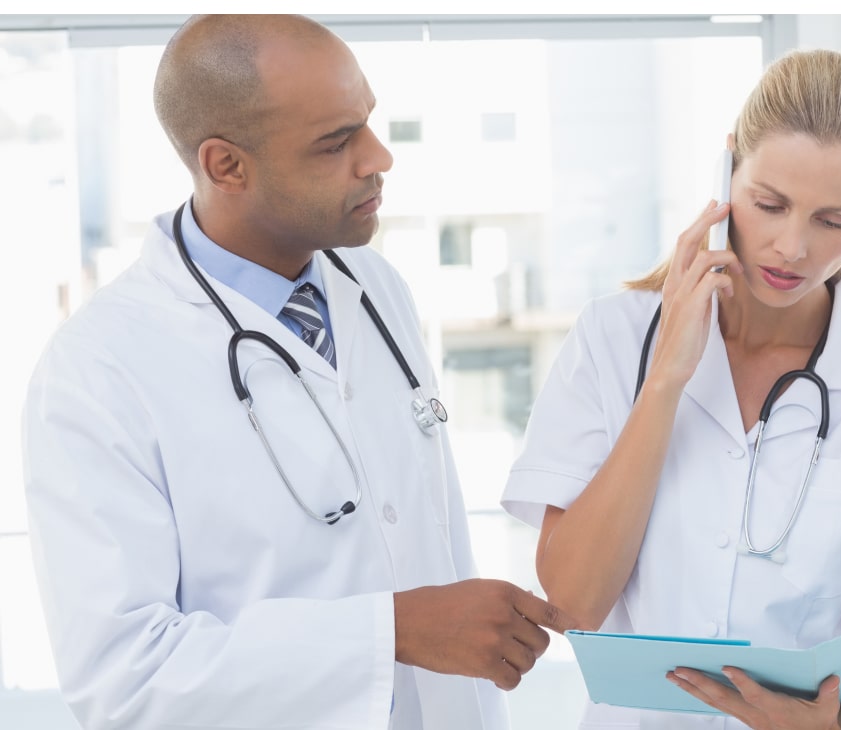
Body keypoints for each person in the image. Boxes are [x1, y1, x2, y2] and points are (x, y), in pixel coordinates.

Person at [21, 14, 573, 729]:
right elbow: (126, 680)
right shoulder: (97, 371)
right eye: (335, 142)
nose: (379, 158)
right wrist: (393, 633)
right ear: (226, 166)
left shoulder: (374, 288)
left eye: (368, 122)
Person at [500, 49, 841, 729]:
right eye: (770, 204)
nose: (792, 246)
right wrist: (666, 379)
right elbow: (573, 602)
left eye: (833, 220)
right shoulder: (614, 338)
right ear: (728, 168)